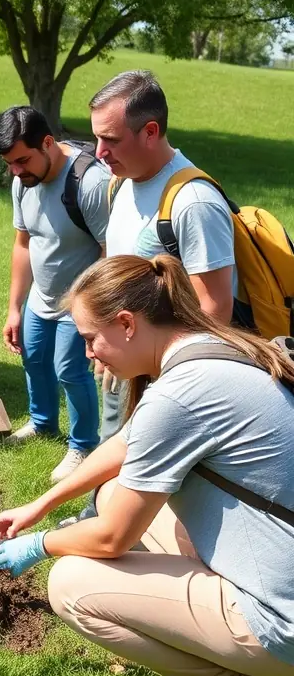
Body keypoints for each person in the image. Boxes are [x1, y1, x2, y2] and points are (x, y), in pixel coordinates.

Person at [0, 253, 294, 676]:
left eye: (89, 338)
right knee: (112, 494)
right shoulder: (211, 349)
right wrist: (41, 503)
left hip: (284, 621)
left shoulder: (179, 395)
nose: (89, 356)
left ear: (127, 324)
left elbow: (111, 537)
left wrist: (40, 545)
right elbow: (130, 441)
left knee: (72, 585)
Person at [89, 70, 235, 438]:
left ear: (150, 132)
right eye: (96, 138)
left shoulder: (193, 202)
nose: (99, 153)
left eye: (111, 140)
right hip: (123, 365)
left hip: (166, 381)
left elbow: (215, 308)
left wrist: (169, 382)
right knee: (111, 464)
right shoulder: (120, 183)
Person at [0, 106, 110, 482]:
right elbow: (23, 244)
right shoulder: (22, 181)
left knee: (70, 370)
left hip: (79, 303)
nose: (16, 170)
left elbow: (111, 251)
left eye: (22, 160)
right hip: (41, 298)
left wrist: (92, 312)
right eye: (10, 163)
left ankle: (82, 445)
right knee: (33, 357)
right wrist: (14, 307)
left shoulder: (90, 184)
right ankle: (42, 423)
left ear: (48, 143)